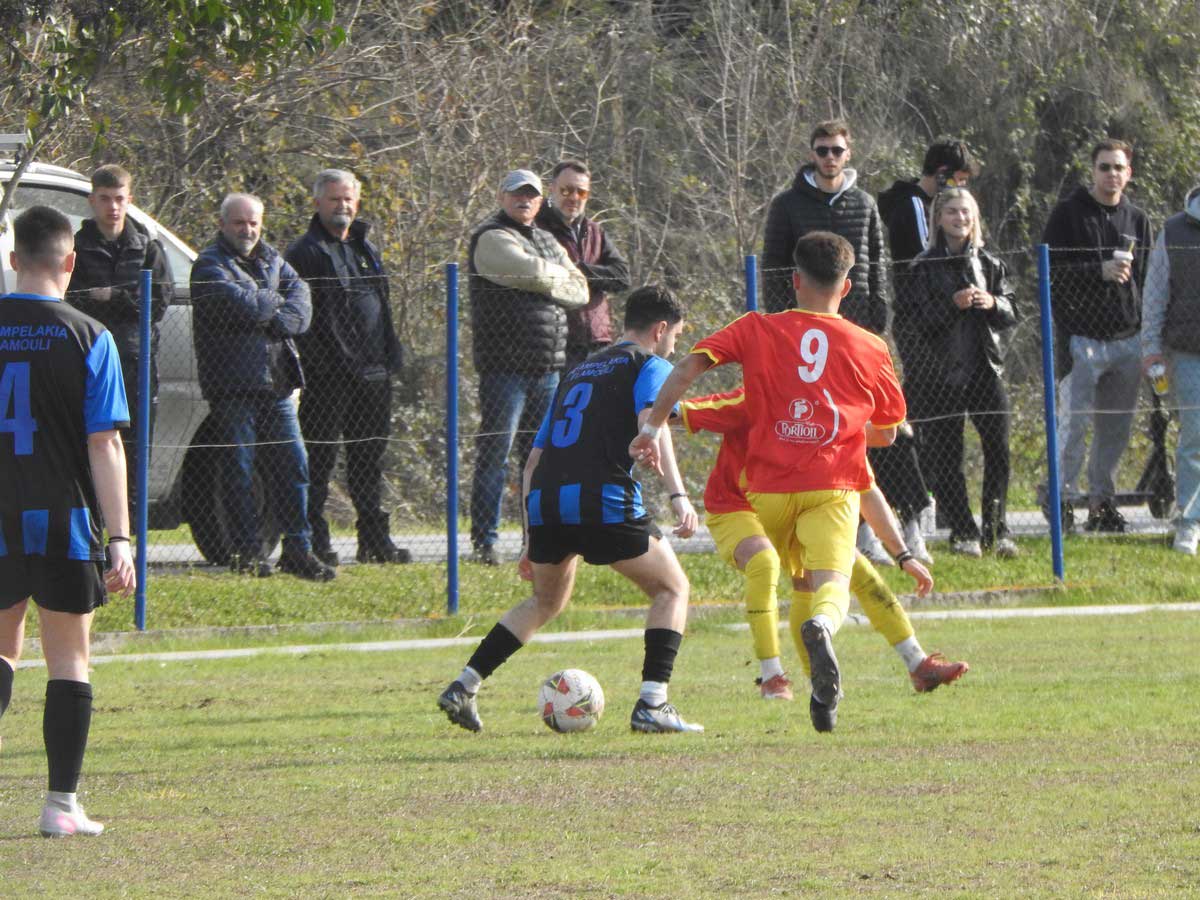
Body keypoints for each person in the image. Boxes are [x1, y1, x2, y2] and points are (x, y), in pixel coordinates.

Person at [631, 232, 908, 733]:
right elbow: (887, 432)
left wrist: (651, 427)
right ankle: (821, 628)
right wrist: (839, 427)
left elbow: (688, 368)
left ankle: (798, 683)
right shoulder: (870, 346)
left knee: (784, 575)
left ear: (795, 280)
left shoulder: (756, 326)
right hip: (829, 486)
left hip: (767, 493)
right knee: (830, 584)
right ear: (846, 287)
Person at [438, 286, 704, 734]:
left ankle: (464, 685)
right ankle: (653, 703)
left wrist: (530, 538)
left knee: (546, 601)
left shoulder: (579, 372)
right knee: (672, 589)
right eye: (676, 336)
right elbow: (652, 424)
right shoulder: (650, 364)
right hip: (601, 499)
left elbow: (533, 461)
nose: (675, 347)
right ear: (660, 329)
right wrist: (679, 495)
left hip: (545, 501)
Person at [679, 386, 967, 698]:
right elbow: (675, 411)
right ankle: (772, 676)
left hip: (795, 509)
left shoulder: (832, 420)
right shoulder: (758, 397)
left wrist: (903, 555)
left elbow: (867, 491)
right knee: (764, 562)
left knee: (852, 570)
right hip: (737, 507)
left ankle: (915, 665)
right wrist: (649, 420)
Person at [0, 205, 136, 837]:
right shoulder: (91, 336)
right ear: (72, 262)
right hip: (63, 519)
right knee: (69, 661)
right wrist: (121, 537)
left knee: (2, 651)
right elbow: (104, 442)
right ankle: (60, 806)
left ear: (12, 259)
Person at [760, 119, 895, 565]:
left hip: (854, 333)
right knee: (812, 429)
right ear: (812, 154)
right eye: (822, 150)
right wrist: (784, 323)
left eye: (837, 150)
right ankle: (808, 527)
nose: (830, 157)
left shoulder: (864, 203)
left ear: (848, 153)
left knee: (860, 430)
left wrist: (877, 314)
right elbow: (774, 266)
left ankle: (865, 531)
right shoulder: (787, 204)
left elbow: (876, 261)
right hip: (805, 337)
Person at [190, 193, 334, 581]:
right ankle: (247, 552)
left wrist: (271, 312)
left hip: (278, 383)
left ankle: (299, 550)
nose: (247, 230)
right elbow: (237, 305)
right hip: (232, 386)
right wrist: (269, 303)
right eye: (239, 222)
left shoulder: (274, 260)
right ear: (223, 224)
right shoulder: (208, 265)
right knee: (239, 471)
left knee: (294, 465)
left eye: (253, 222)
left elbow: (301, 303)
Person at [286, 169, 410, 567]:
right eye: (334, 199)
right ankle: (315, 542)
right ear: (318, 202)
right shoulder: (305, 252)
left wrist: (390, 356)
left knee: (369, 461)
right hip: (329, 380)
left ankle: (374, 540)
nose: (342, 206)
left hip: (374, 376)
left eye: (348, 199)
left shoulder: (364, 247)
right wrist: (322, 365)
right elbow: (302, 319)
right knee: (318, 461)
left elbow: (382, 305)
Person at [467, 169, 589, 566]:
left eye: (531, 195)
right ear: (502, 197)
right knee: (495, 455)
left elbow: (581, 290)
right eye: (517, 193)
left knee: (539, 461)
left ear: (540, 201)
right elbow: (534, 272)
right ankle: (484, 542)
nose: (524, 200)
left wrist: (543, 276)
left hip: (547, 368)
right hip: (503, 368)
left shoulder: (546, 239)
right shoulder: (491, 237)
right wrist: (555, 275)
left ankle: (534, 541)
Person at [899, 188, 1020, 557]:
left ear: (975, 218)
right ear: (938, 218)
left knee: (998, 448)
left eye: (966, 212)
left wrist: (992, 302)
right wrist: (951, 305)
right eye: (951, 211)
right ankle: (963, 532)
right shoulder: (921, 267)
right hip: (940, 375)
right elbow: (909, 324)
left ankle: (997, 529)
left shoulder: (991, 264)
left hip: (986, 369)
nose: (960, 218)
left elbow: (1012, 310)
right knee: (947, 456)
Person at [875, 140, 980, 560]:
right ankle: (915, 503)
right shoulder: (916, 207)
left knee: (936, 423)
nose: (960, 191)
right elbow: (929, 259)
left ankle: (936, 504)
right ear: (940, 174)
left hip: (943, 327)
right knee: (916, 421)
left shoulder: (920, 204)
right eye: (957, 181)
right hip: (921, 327)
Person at [1043, 138, 1153, 532]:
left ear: (1129, 173)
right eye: (1104, 167)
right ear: (1092, 171)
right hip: (1081, 340)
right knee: (1073, 427)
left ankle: (1101, 504)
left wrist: (1146, 333)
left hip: (1127, 339)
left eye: (1118, 167)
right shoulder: (1068, 215)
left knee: (1115, 430)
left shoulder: (1137, 219)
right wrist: (1098, 270)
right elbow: (1048, 271)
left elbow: (1147, 280)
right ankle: (1060, 500)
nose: (1111, 174)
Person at [65, 164, 174, 514]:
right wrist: (126, 300)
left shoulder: (148, 248)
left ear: (129, 200)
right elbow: (71, 300)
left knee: (135, 448)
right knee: (90, 443)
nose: (113, 207)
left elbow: (157, 304)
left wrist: (112, 296)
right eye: (105, 199)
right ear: (92, 201)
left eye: (119, 199)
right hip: (88, 360)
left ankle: (130, 529)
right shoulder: (76, 247)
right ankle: (93, 523)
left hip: (135, 362)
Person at [1141, 186, 1200, 554]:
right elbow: (1155, 293)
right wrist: (1150, 348)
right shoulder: (1174, 230)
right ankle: (1190, 522)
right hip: (1188, 352)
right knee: (1195, 439)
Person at [535, 160, 631, 371]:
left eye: (582, 192)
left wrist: (579, 271)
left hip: (598, 342)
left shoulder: (594, 231)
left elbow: (622, 276)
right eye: (566, 190)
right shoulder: (537, 229)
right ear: (552, 189)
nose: (574, 197)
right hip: (557, 345)